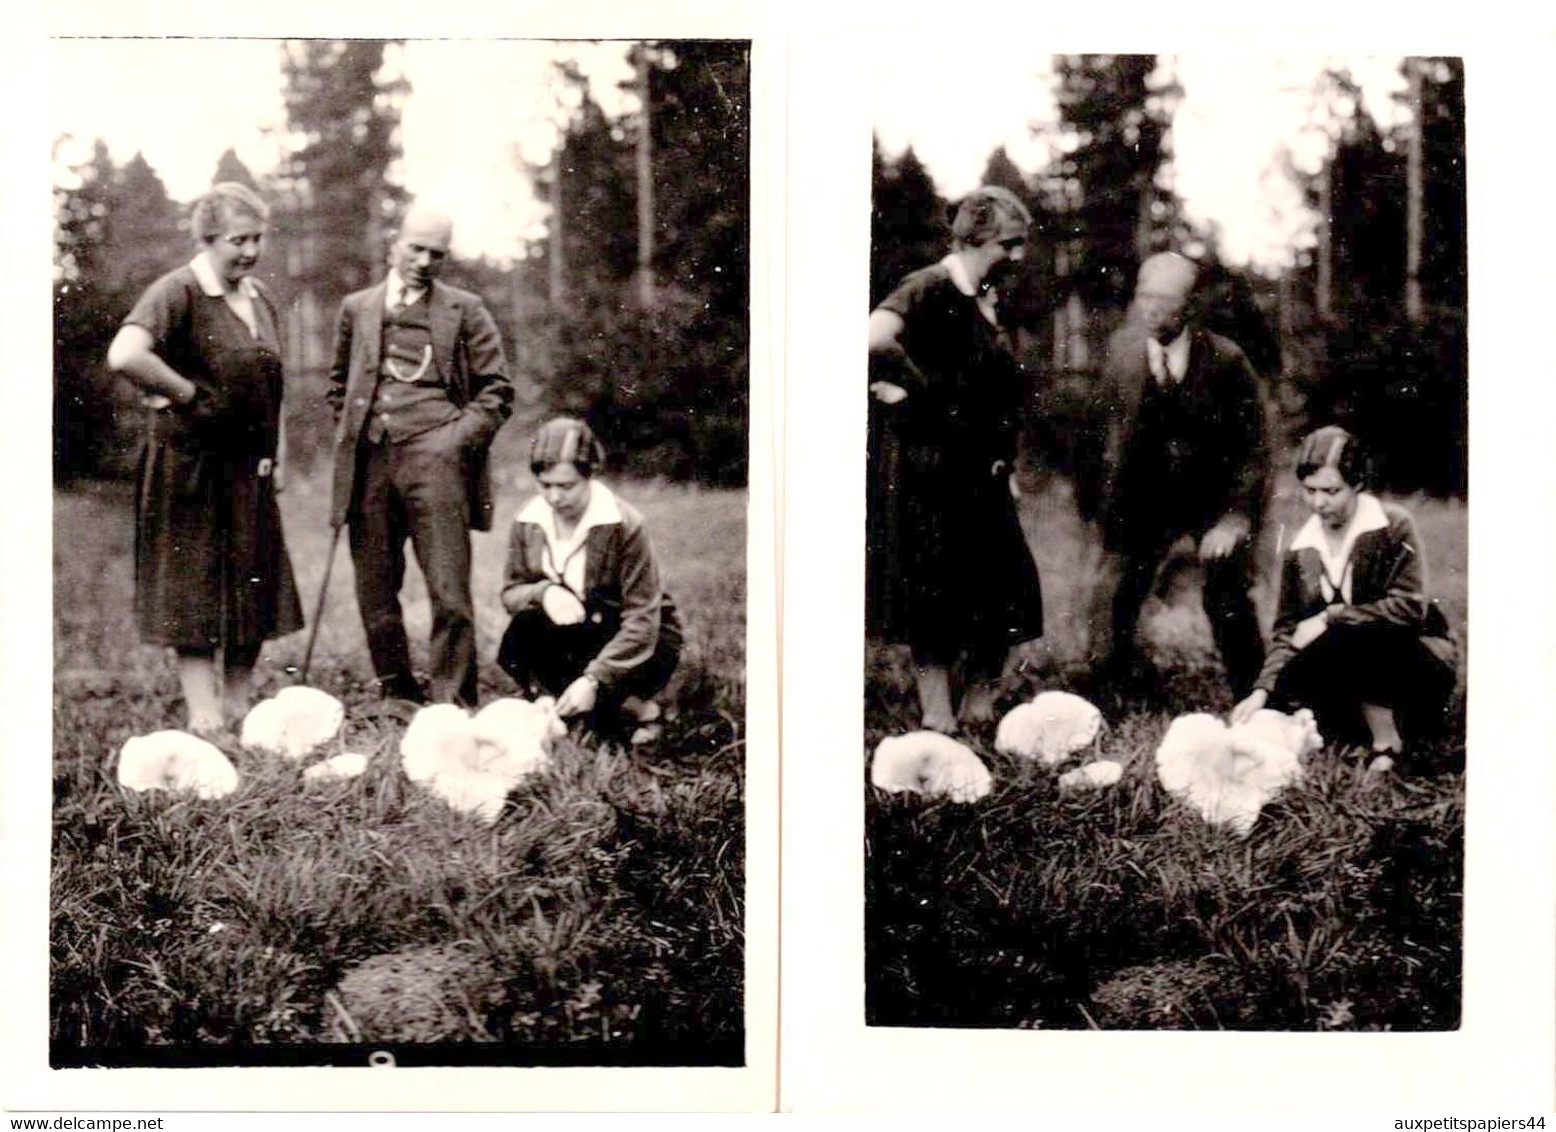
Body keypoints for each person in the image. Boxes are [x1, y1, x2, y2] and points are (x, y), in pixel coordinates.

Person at [106, 182, 304, 735]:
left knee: (253, 583)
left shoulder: (260, 298)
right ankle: (204, 713)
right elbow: (125, 353)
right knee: (193, 586)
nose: (250, 251)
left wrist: (280, 451)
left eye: (257, 239)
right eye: (238, 240)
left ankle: (238, 703)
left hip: (250, 469)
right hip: (189, 466)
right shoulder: (178, 291)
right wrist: (185, 392)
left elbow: (273, 387)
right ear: (208, 238)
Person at [866, 185, 1044, 733]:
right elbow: (872, 340)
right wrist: (907, 394)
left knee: (1005, 585)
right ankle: (938, 715)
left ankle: (980, 704)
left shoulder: (989, 301)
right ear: (973, 239)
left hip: (981, 470)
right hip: (929, 469)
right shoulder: (928, 287)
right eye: (1007, 245)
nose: (1016, 258)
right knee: (931, 590)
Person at [328, 203, 514, 707]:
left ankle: (453, 701)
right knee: (375, 587)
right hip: (371, 461)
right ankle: (397, 692)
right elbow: (339, 387)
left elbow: (497, 391)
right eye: (416, 247)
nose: (424, 260)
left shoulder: (466, 309)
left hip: (438, 462)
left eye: (437, 253)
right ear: (395, 242)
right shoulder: (357, 308)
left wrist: (453, 442)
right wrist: (355, 432)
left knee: (449, 589)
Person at [1086, 251, 1270, 699]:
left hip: (1211, 500)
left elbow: (1254, 449)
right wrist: (1096, 509)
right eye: (1145, 297)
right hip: (1139, 501)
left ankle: (1258, 695)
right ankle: (1108, 693)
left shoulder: (1227, 361)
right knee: (1112, 593)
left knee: (1227, 592)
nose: (1152, 310)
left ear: (1190, 307)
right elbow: (1094, 435)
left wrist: (1234, 519)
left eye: (1166, 301)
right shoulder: (1121, 354)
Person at [1231, 426, 1456, 770]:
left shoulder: (1392, 526)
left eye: (1331, 491)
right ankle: (1351, 729)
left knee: (1349, 634)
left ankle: (1387, 743)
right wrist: (1262, 690)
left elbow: (1410, 607)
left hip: (1413, 658)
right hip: (1348, 659)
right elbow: (1286, 631)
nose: (1318, 503)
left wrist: (1330, 616)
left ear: (1357, 485)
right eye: (1310, 491)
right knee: (1295, 675)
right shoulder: (1300, 549)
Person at [496, 418, 682, 745]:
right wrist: (545, 591)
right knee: (522, 632)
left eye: (566, 486)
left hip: (633, 638)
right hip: (577, 634)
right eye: (545, 485)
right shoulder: (528, 521)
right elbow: (511, 592)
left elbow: (642, 619)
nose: (554, 497)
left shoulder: (624, 525)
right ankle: (565, 701)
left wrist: (595, 680)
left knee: (604, 730)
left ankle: (641, 707)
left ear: (590, 474)